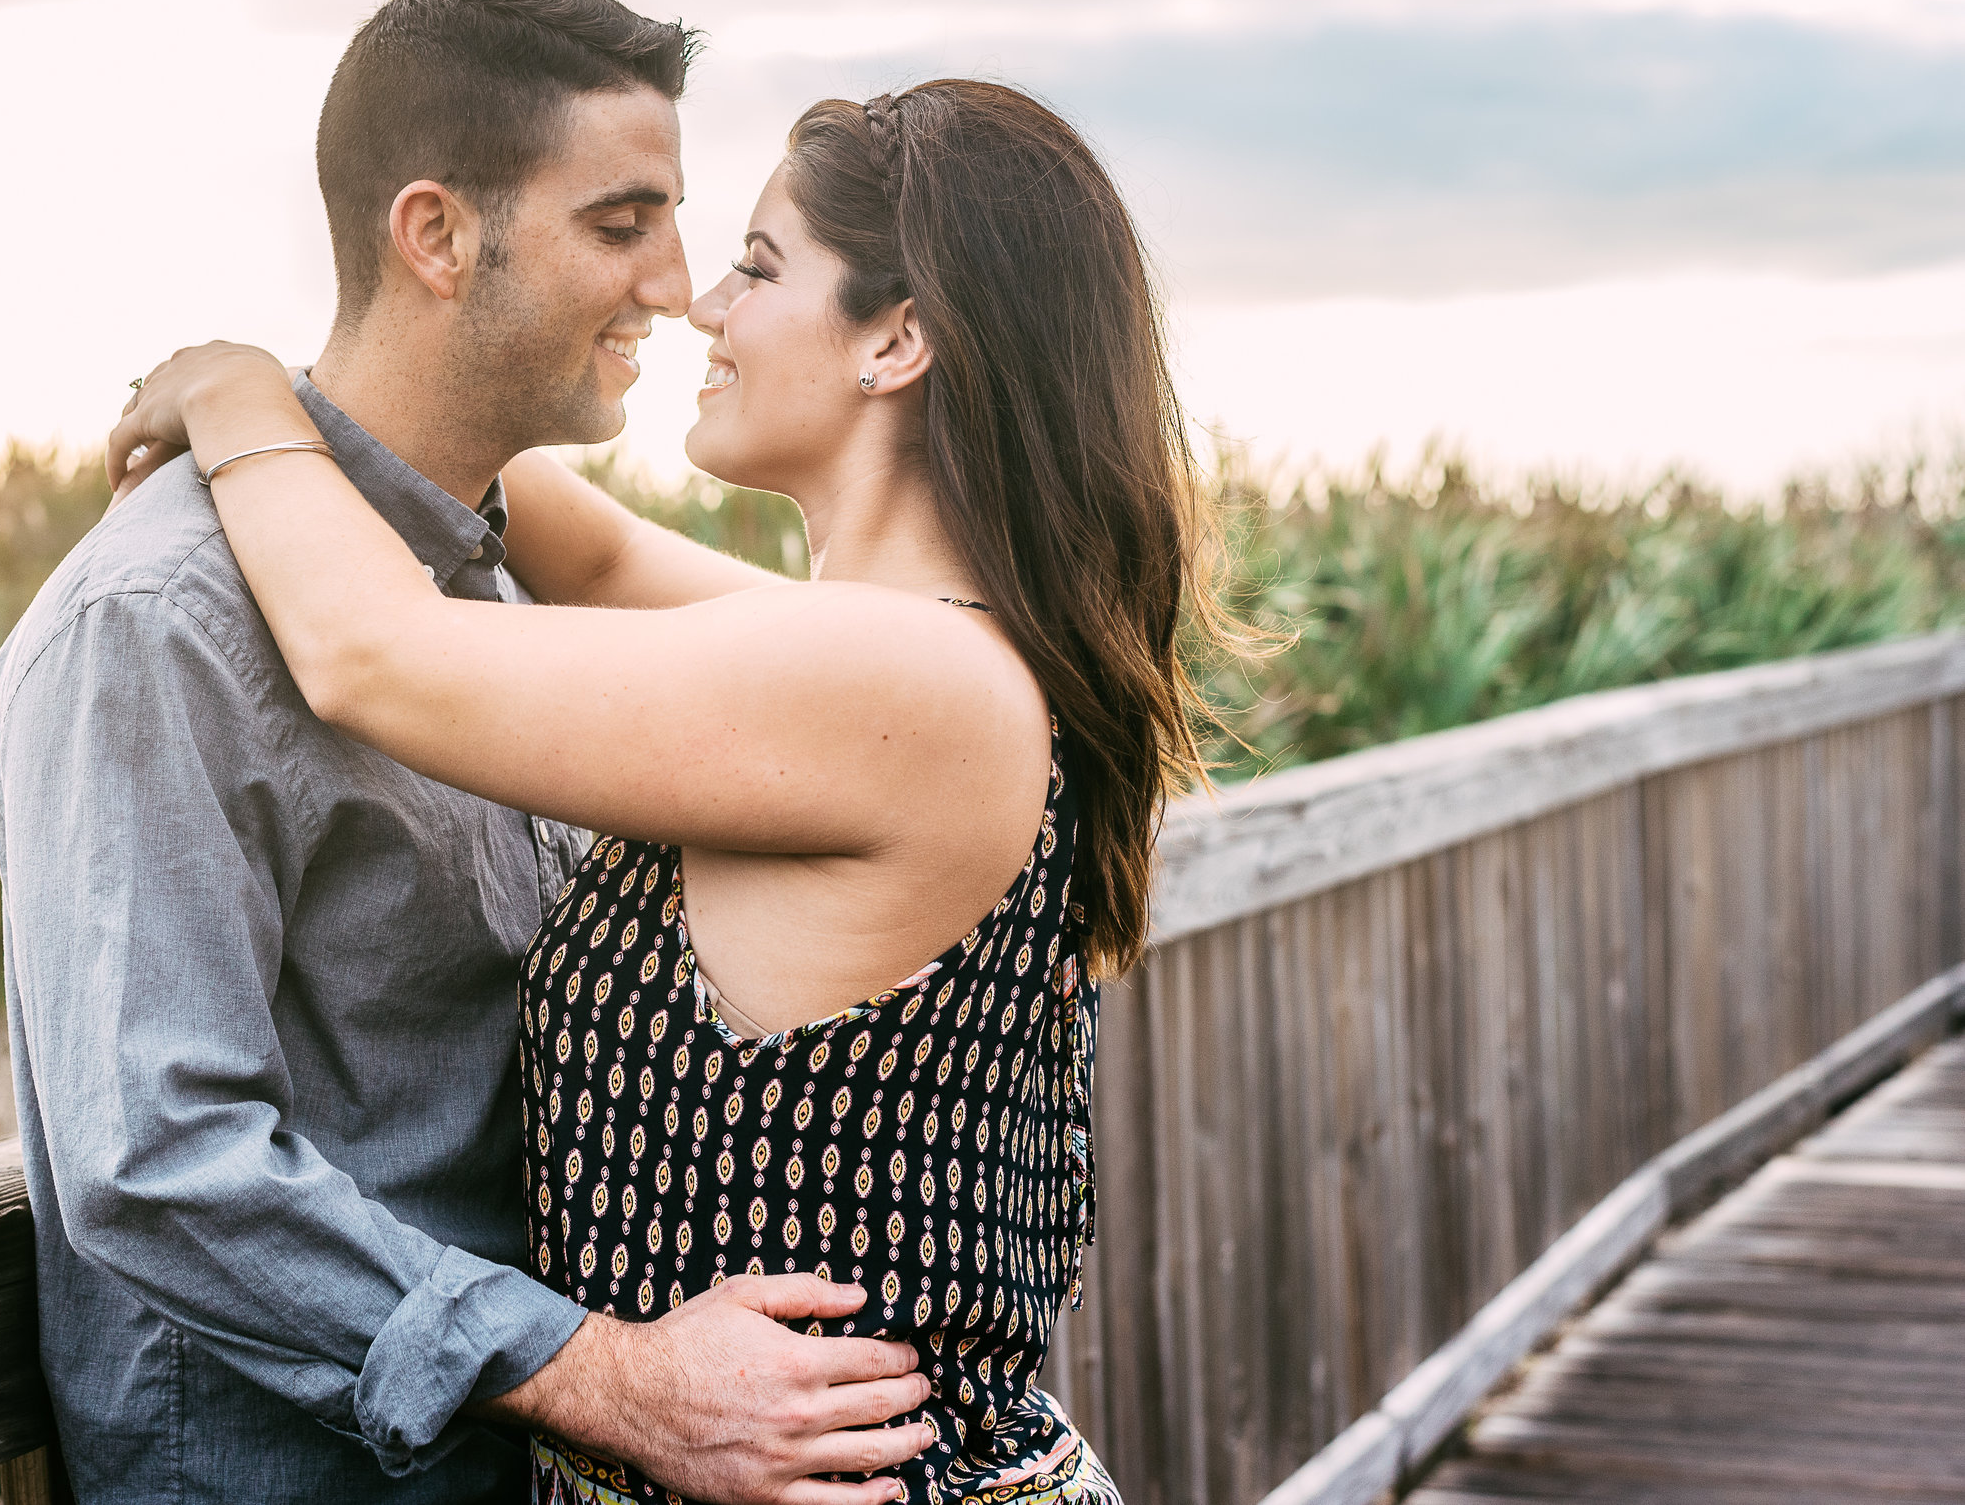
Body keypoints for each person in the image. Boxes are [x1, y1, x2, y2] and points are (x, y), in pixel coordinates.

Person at [107, 77, 1228, 1504]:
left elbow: (373, 656)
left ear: (896, 337)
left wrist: (231, 385)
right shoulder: (910, 650)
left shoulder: (899, 679)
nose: (705, 303)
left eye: (761, 266)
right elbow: (607, 559)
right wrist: (428, 372)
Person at [0, 0, 938, 1505]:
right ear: (435, 233)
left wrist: (241, 387)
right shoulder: (159, 622)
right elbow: (154, 1159)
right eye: (622, 224)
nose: (678, 286)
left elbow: (434, 547)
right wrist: (608, 1376)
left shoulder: (484, 566)